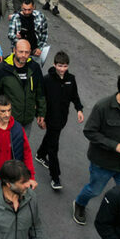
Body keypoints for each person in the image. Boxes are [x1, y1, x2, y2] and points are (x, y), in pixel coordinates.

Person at [72, 74, 120, 225]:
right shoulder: (103, 107)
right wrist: (115, 146)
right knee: (94, 190)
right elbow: (90, 132)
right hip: (103, 164)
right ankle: (79, 204)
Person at [35, 51, 84, 190]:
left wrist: (79, 109)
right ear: (54, 64)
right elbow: (40, 100)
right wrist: (40, 117)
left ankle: (40, 154)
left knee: (51, 136)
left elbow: (75, 96)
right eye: (60, 66)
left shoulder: (71, 79)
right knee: (53, 147)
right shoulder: (46, 80)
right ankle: (55, 177)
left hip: (62, 118)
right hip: (49, 118)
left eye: (65, 66)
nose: (62, 69)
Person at [0, 40, 46, 134]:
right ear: (14, 50)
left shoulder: (34, 68)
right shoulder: (2, 69)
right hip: (8, 121)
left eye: (27, 52)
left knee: (22, 147)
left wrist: (41, 113)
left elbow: (40, 92)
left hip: (27, 120)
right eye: (21, 52)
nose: (24, 55)